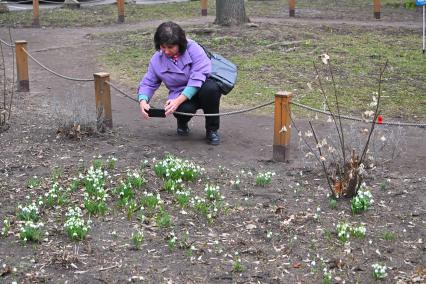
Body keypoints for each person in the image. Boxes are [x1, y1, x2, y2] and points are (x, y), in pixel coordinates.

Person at [137, 21, 222, 145]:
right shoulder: (157, 59)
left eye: (170, 47)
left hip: (201, 88)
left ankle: (212, 130)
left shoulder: (194, 49)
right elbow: (148, 82)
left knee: (212, 89)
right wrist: (143, 100)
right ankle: (182, 122)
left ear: (180, 44)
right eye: (162, 46)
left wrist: (177, 101)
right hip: (179, 93)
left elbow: (197, 79)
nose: (166, 51)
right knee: (183, 109)